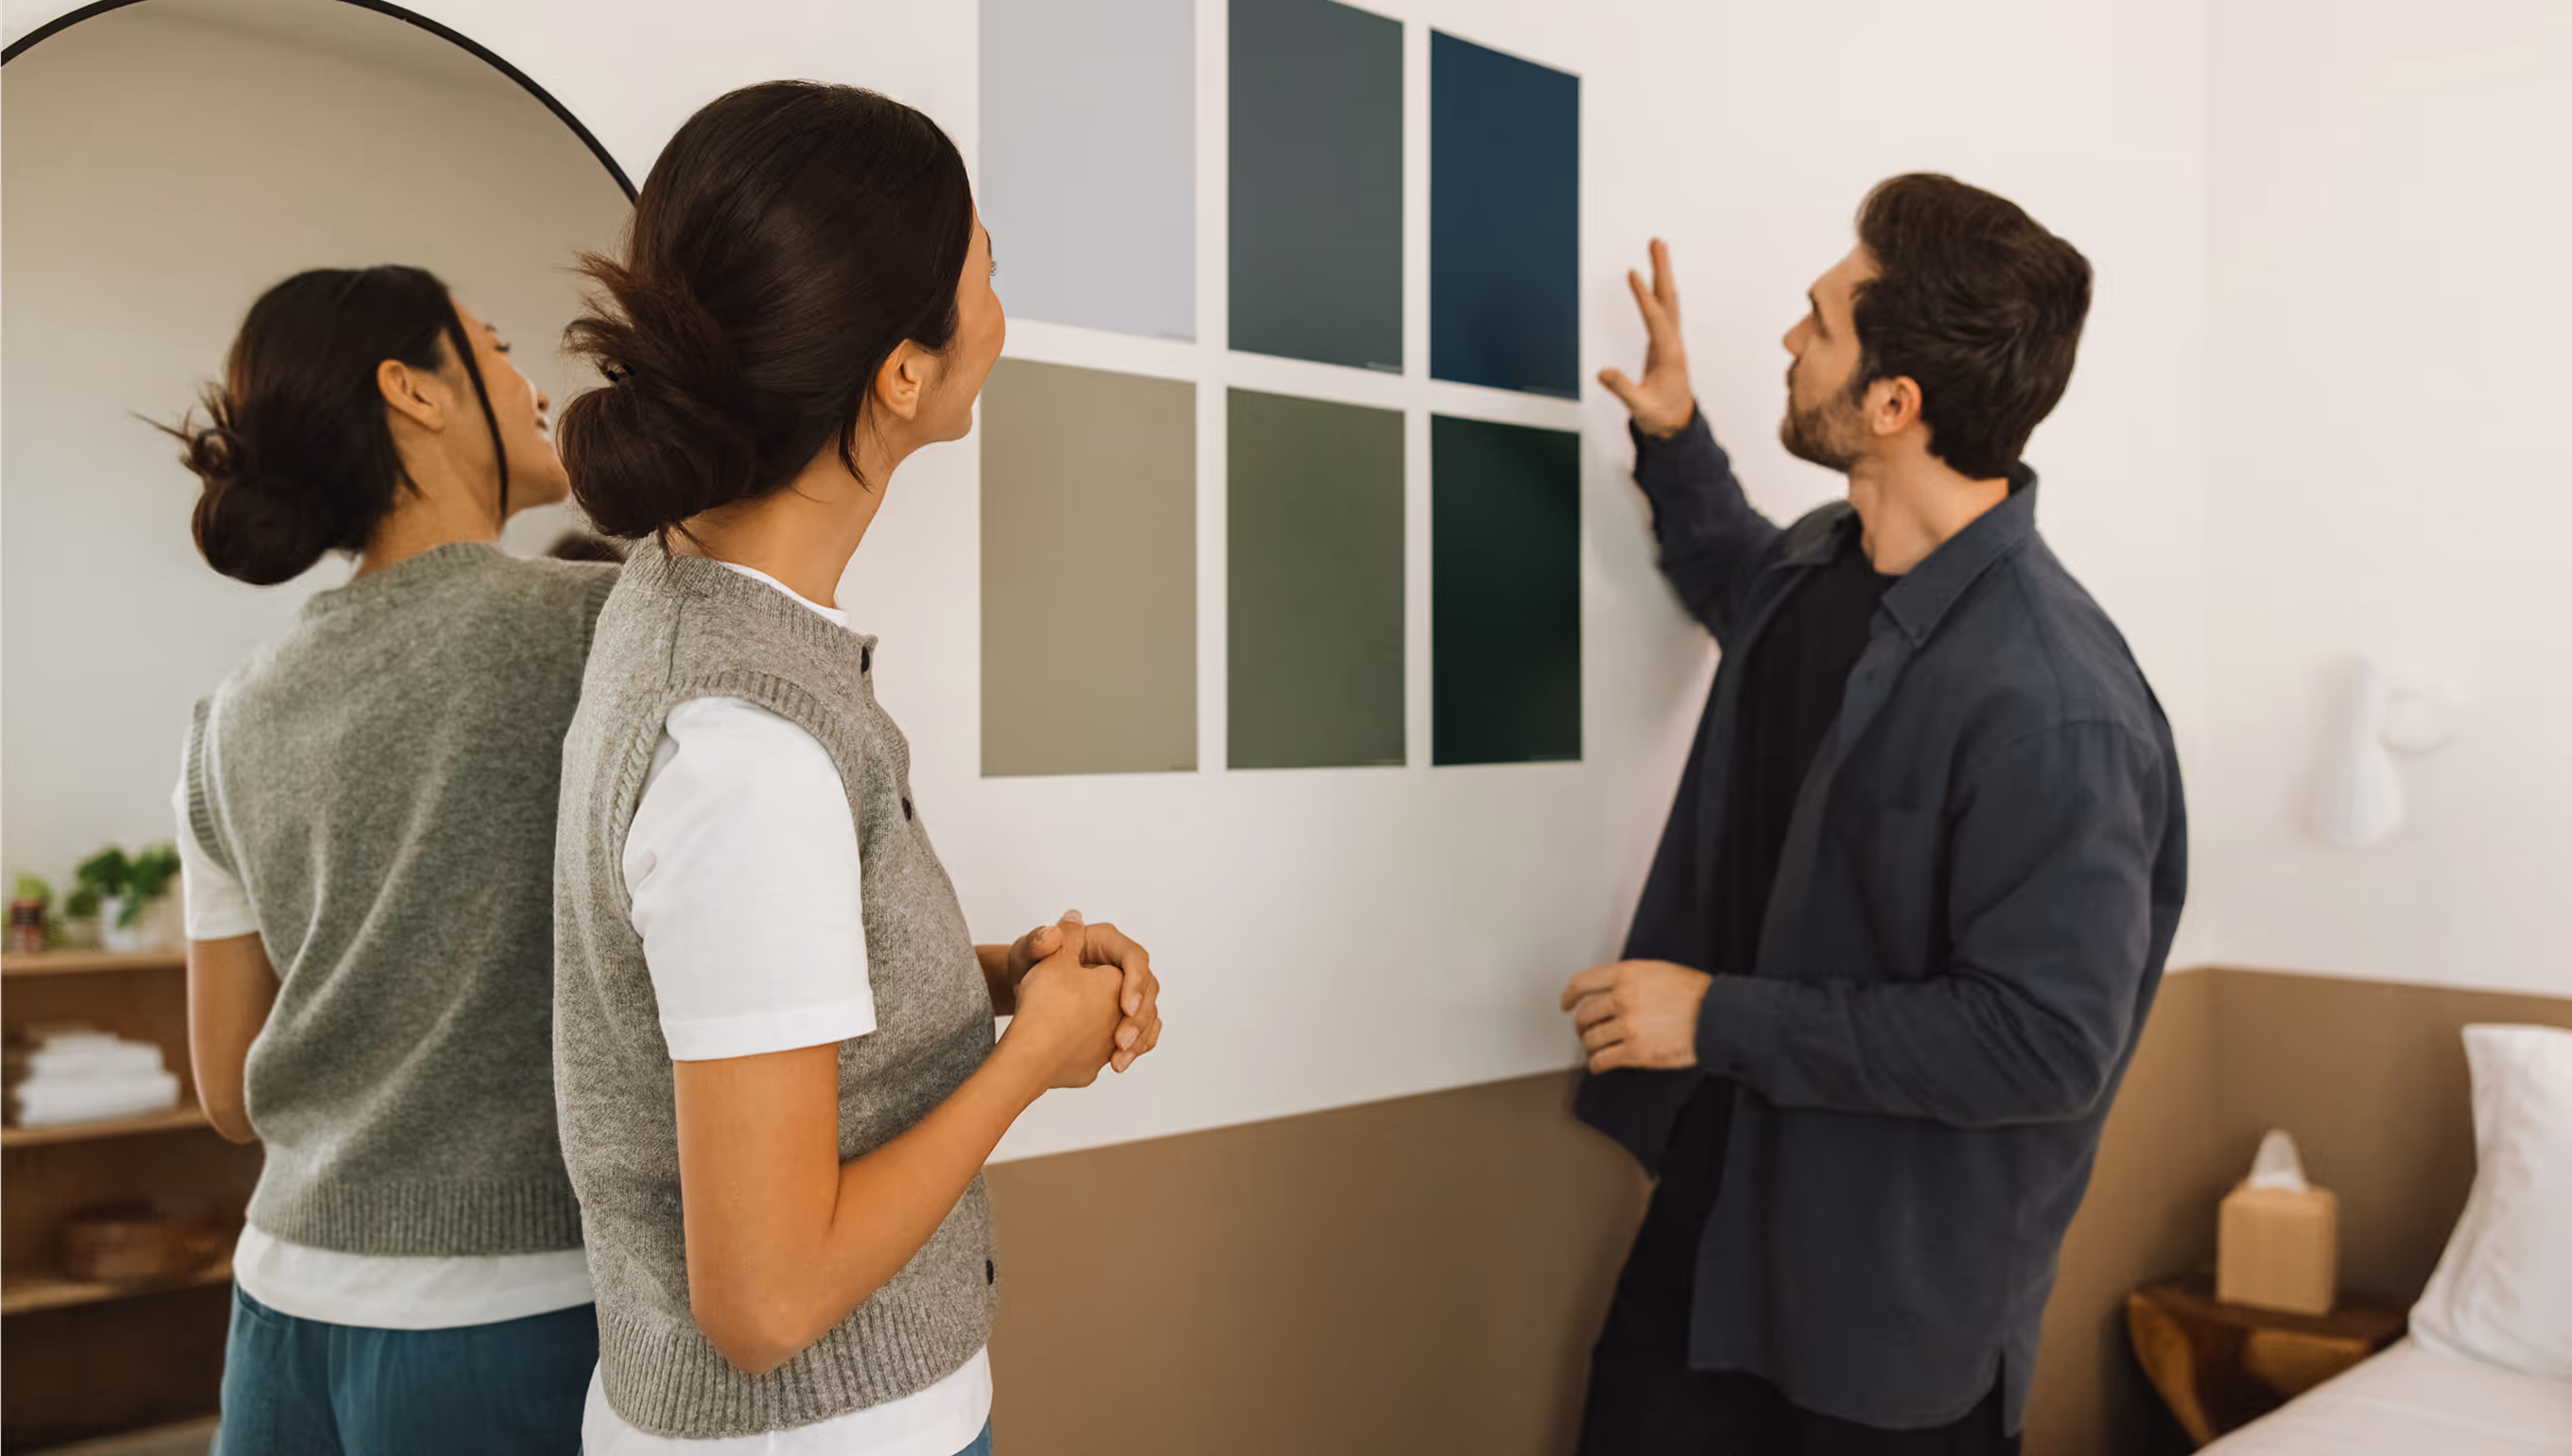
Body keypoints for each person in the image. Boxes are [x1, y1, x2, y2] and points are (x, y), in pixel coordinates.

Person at [549, 81, 1164, 1456]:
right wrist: (1030, 1056)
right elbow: (765, 1302)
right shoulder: (747, 752)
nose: (998, 298)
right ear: (901, 373)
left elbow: (730, 995)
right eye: (986, 264)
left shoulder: (680, 604)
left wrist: (993, 976)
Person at [1562, 176, 2187, 1454]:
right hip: (1713, 1236)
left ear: (1894, 404)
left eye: (1820, 321)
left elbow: (2044, 1042)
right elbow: (1739, 582)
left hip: (1887, 1326)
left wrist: (1714, 1017)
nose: (1789, 340)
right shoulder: (1816, 565)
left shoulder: (2056, 703)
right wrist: (1675, 436)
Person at [169, 264, 611, 1452]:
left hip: (279, 1313)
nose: (532, 386)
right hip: (506, 1314)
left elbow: (227, 1094)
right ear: (412, 391)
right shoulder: (596, 630)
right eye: (497, 346)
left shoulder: (226, 718)